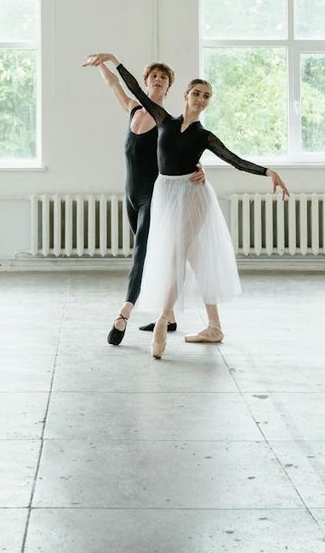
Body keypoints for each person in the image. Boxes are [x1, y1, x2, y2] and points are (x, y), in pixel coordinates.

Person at [83, 53, 289, 359]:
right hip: (165, 193)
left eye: (206, 96)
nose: (201, 99)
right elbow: (131, 90)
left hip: (192, 197)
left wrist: (268, 172)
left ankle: (162, 323)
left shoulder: (204, 135)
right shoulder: (162, 119)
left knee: (178, 256)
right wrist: (113, 61)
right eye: (196, 93)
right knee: (191, 258)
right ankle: (215, 325)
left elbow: (234, 159)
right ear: (185, 96)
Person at [93, 60, 204, 346]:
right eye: (153, 76)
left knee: (141, 251)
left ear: (169, 86)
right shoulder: (133, 109)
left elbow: (186, 147)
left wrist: (200, 167)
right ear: (145, 82)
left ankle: (123, 313)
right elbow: (113, 85)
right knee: (158, 254)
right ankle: (171, 317)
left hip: (153, 198)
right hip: (130, 195)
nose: (157, 80)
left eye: (163, 78)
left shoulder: (167, 120)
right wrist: (101, 63)